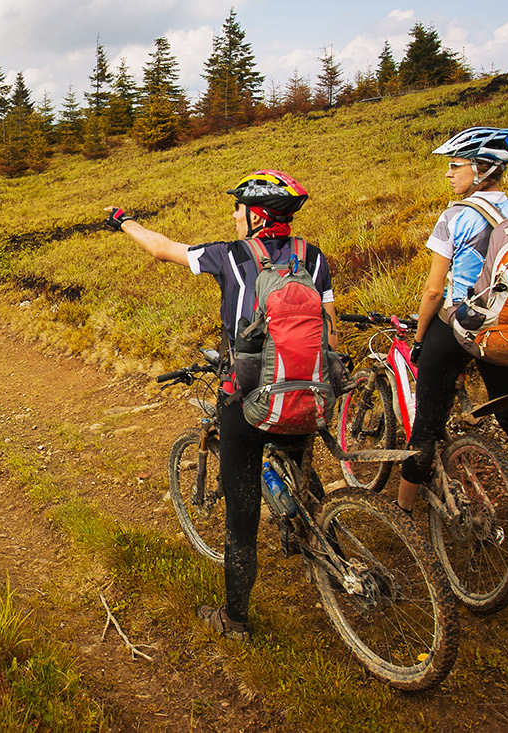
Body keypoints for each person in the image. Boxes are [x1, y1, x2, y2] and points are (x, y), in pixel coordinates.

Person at [104, 170, 337, 642]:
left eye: (238, 208)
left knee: (242, 518)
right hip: (306, 391)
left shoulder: (229, 257)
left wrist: (123, 221)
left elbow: (159, 247)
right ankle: (330, 550)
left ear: (255, 215)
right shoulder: (313, 259)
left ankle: (234, 619)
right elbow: (331, 330)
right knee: (301, 469)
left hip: (246, 402)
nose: (233, 215)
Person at [395, 127, 508, 522]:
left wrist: (419, 337)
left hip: (458, 326)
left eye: (455, 166)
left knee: (427, 424)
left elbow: (434, 291)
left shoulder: (455, 215)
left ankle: (402, 511)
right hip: (504, 326)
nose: (449, 174)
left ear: (481, 170)